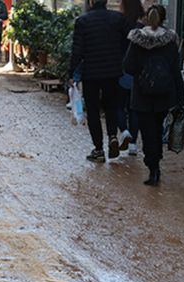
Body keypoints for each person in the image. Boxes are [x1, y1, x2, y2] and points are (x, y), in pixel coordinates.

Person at [123, 5, 184, 186]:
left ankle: (152, 167)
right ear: (164, 19)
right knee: (157, 129)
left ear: (146, 18)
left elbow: (128, 66)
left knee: (147, 132)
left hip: (142, 95)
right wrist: (180, 98)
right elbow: (175, 71)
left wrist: (142, 74)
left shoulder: (137, 39)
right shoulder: (170, 40)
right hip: (164, 94)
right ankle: (156, 163)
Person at [69, 0, 126, 162]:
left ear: (92, 2)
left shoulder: (83, 21)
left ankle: (99, 149)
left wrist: (71, 73)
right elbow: (125, 43)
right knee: (111, 107)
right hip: (112, 72)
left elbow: (77, 50)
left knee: (93, 111)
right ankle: (113, 136)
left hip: (91, 73)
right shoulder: (117, 19)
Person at [117, 0, 144, 156]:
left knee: (118, 106)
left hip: (121, 71)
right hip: (137, 74)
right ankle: (133, 144)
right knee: (134, 109)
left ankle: (124, 131)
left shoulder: (120, 26)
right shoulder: (141, 29)